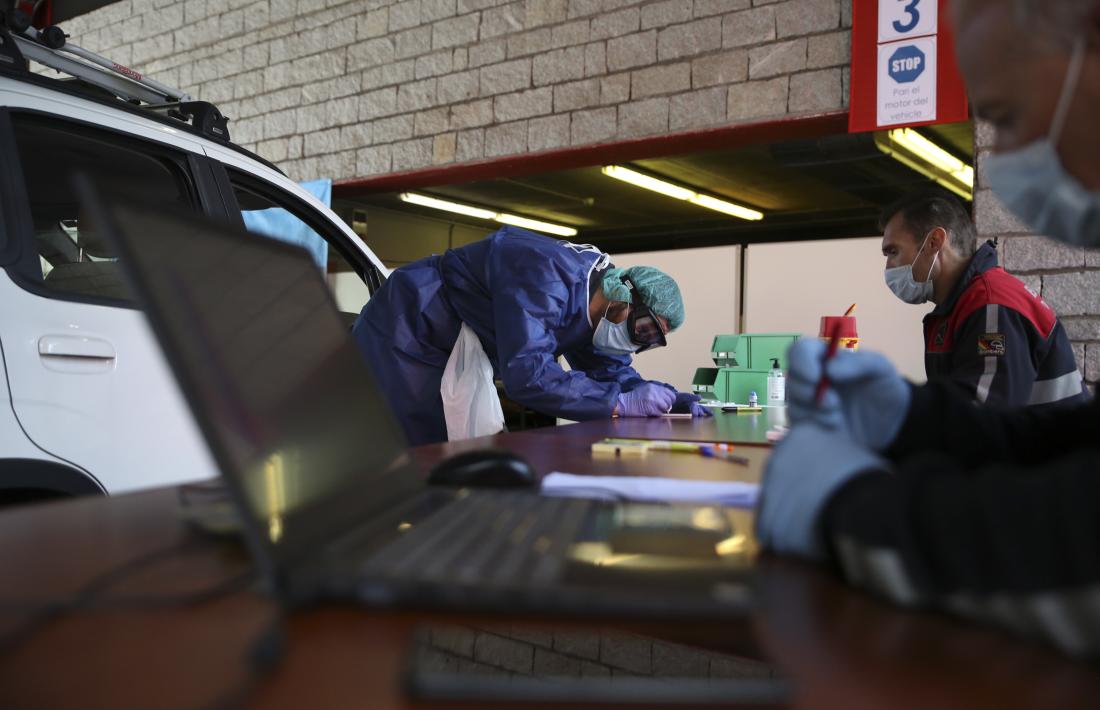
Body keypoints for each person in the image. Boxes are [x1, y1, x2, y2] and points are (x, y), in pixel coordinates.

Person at [757, 0, 1100, 657]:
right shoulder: (951, 308)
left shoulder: (991, 303)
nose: (1002, 150)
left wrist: (845, 509)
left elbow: (1070, 542)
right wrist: (909, 417)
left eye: (1006, 115)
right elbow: (1077, 440)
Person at [352, 226, 707, 445]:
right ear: (621, 300)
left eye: (651, 340)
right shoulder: (547, 279)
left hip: (456, 342)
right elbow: (529, 374)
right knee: (412, 441)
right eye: (643, 330)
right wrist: (618, 404)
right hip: (411, 326)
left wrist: (671, 400)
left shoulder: (598, 305)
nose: (639, 343)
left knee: (451, 445)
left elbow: (610, 371)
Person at [880, 190, 1087, 407]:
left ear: (934, 242)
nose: (888, 268)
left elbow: (983, 415)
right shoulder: (960, 307)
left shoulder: (990, 305)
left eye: (893, 251)